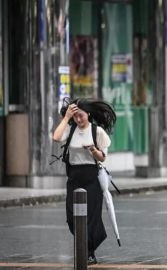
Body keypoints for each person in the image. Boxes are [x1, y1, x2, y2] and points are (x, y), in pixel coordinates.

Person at [52, 98, 116, 265]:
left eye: (81, 116)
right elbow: (56, 137)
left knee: (91, 218)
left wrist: (93, 149)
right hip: (74, 177)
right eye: (75, 117)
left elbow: (103, 157)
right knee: (72, 218)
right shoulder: (70, 130)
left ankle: (89, 252)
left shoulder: (97, 132)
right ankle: (86, 247)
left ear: (88, 114)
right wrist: (66, 118)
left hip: (91, 177)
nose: (78, 120)